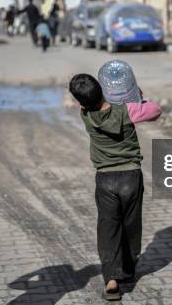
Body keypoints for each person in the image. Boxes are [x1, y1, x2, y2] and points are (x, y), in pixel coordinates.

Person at [68, 74, 161, 301]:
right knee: (131, 225)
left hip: (105, 179)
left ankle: (111, 279)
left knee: (108, 228)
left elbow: (92, 103)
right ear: (103, 89)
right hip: (131, 175)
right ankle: (128, 272)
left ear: (81, 103)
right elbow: (155, 110)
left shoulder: (86, 115)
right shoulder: (128, 110)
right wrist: (137, 96)